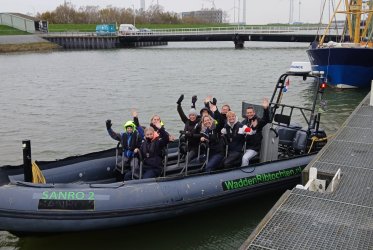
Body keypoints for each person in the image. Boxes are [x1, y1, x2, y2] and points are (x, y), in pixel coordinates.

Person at [241, 98, 270, 166]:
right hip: (244, 146)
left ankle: (244, 174)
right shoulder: (245, 122)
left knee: (245, 158)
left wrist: (266, 109)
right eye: (248, 113)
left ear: (254, 113)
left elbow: (266, 120)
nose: (249, 114)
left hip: (253, 148)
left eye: (251, 112)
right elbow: (240, 128)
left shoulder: (258, 121)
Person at [176, 94, 201, 162]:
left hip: (196, 147)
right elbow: (181, 113)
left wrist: (192, 135)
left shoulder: (199, 123)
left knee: (187, 159)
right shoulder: (187, 121)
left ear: (196, 116)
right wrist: (179, 104)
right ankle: (183, 154)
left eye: (193, 115)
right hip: (188, 145)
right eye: (190, 115)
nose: (192, 117)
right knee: (181, 140)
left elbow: (201, 135)